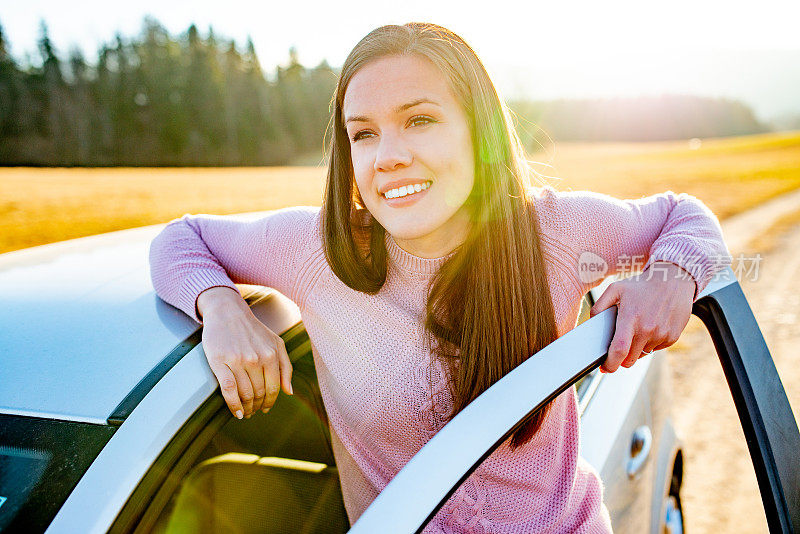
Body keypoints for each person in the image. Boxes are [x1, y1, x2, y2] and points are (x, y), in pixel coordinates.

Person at [149, 22, 731, 533]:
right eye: (364, 133)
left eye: (420, 120)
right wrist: (219, 307)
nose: (388, 156)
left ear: (480, 132)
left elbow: (686, 216)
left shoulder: (554, 230)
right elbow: (180, 239)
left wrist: (672, 275)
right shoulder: (315, 249)